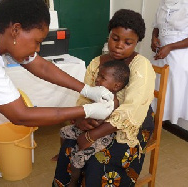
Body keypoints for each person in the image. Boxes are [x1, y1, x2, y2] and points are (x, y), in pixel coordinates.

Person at [0, 0, 115, 186]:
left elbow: (42, 66)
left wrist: (87, 89)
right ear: (15, 29)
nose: (38, 49)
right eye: (37, 41)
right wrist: (87, 110)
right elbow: (21, 115)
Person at [53, 9, 156, 186]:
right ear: (109, 35)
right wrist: (81, 119)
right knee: (69, 144)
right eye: (115, 38)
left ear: (136, 43)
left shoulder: (141, 66)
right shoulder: (96, 63)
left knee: (97, 162)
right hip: (98, 115)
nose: (119, 45)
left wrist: (92, 135)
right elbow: (85, 98)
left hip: (132, 123)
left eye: (128, 42)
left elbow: (131, 110)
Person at [59, 60, 130, 186]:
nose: (97, 80)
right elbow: (87, 110)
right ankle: (63, 153)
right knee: (63, 131)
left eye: (103, 78)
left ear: (116, 86)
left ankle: (74, 181)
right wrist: (79, 119)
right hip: (87, 127)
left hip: (101, 136)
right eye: (98, 75)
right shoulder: (98, 95)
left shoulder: (113, 103)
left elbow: (99, 123)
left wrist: (84, 123)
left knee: (78, 158)